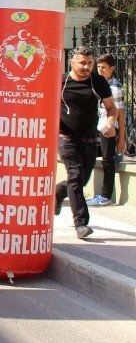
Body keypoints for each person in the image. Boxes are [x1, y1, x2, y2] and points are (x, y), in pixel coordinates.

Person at [55, 47, 117, 238]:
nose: (87, 67)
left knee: (82, 179)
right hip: (66, 138)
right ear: (72, 62)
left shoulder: (97, 82)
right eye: (82, 62)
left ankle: (57, 193)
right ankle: (81, 224)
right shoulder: (61, 81)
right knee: (75, 176)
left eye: (90, 63)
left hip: (90, 140)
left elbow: (111, 107)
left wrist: (109, 122)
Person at [89, 53, 126, 207]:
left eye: (104, 67)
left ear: (112, 68)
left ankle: (106, 196)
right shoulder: (99, 83)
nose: (100, 70)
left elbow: (120, 113)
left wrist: (121, 138)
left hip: (109, 127)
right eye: (98, 67)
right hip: (100, 125)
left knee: (107, 161)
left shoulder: (114, 87)